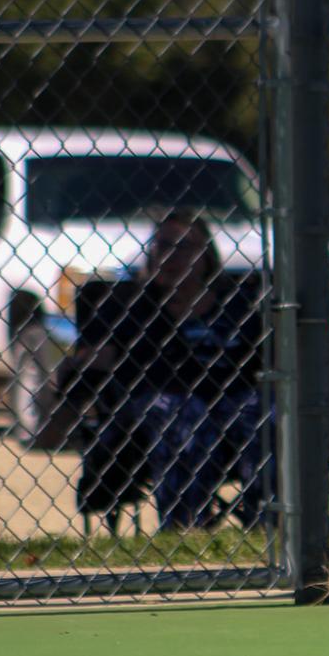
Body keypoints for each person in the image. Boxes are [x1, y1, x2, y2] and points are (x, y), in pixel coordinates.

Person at [64, 210, 267, 531]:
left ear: (206, 257)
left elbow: (259, 360)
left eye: (183, 247)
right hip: (153, 408)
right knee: (181, 410)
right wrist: (89, 360)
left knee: (258, 408)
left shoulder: (234, 304)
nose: (170, 256)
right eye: (162, 246)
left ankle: (268, 524)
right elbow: (91, 363)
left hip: (229, 400)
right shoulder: (128, 304)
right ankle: (185, 527)